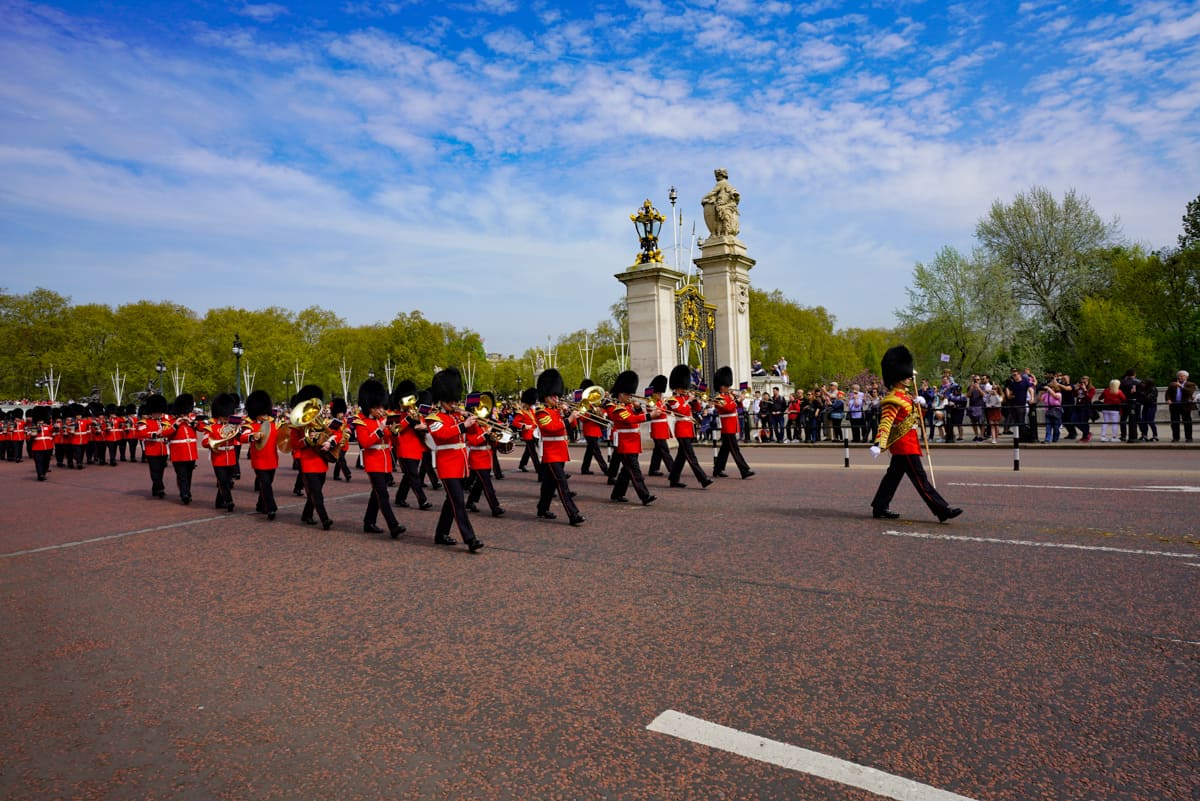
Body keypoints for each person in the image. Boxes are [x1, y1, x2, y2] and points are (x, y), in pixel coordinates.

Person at [870, 346, 962, 523]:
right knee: (921, 480)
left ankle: (879, 506)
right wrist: (879, 444)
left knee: (893, 477)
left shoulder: (908, 397)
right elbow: (886, 422)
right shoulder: (893, 399)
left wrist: (923, 404)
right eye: (906, 376)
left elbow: (917, 418)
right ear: (897, 378)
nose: (909, 379)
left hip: (910, 442)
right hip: (904, 445)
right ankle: (941, 510)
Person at [425, 367, 484, 552]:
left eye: (454, 399)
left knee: (451, 501)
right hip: (447, 465)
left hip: (461, 465)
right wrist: (463, 425)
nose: (454, 403)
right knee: (458, 502)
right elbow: (441, 436)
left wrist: (473, 421)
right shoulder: (434, 418)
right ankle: (470, 538)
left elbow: (472, 435)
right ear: (441, 399)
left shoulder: (458, 416)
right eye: (450, 400)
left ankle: (440, 534)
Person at [352, 379, 405, 538]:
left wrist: (394, 431)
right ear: (369, 406)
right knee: (383, 494)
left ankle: (369, 522)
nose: (381, 409)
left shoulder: (385, 418)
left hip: (385, 460)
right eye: (378, 407)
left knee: (376, 493)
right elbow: (365, 443)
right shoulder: (360, 421)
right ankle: (393, 526)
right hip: (373, 461)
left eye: (382, 406)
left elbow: (394, 442)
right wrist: (381, 430)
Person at [532, 369, 584, 525]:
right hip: (551, 452)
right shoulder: (542, 412)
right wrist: (568, 419)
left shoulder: (556, 411)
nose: (556, 398)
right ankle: (573, 514)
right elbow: (552, 428)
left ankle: (542, 508)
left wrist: (570, 415)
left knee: (549, 483)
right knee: (562, 483)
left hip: (560, 451)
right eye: (553, 396)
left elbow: (571, 426)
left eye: (557, 395)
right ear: (545, 397)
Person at [291, 384, 337, 530]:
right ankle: (325, 519)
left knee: (315, 491)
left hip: (321, 460)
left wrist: (330, 440)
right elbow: (294, 444)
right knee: (316, 492)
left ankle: (306, 514)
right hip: (308, 462)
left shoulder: (319, 422)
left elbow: (331, 434)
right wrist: (306, 440)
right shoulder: (297, 425)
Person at [607, 369, 657, 505]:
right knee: (635, 471)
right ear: (620, 394)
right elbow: (630, 420)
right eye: (627, 394)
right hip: (625, 444)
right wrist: (649, 416)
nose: (630, 396)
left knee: (626, 471)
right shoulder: (616, 408)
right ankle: (644, 496)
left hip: (633, 443)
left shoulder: (627, 405)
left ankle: (617, 494)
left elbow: (634, 416)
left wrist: (639, 409)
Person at [665, 363, 712, 489]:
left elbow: (696, 409)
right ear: (677, 387)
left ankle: (673, 479)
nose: (685, 389)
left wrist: (695, 400)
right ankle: (703, 479)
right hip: (681, 429)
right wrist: (688, 400)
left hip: (688, 428)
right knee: (691, 456)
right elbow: (681, 411)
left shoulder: (686, 397)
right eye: (683, 387)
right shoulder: (672, 400)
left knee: (681, 457)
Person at [464, 393, 506, 519]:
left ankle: (470, 502)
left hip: (487, 455)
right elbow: (473, 441)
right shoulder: (472, 424)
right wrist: (485, 435)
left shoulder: (485, 422)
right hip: (477, 456)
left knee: (480, 483)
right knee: (487, 483)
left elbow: (491, 440)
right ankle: (495, 507)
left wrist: (497, 435)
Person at [242, 389, 280, 521]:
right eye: (262, 414)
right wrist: (253, 436)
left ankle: (260, 504)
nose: (264, 416)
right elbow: (243, 437)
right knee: (265, 484)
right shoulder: (251, 426)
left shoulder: (274, 425)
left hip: (272, 459)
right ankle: (271, 508)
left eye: (265, 413)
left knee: (267, 483)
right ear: (256, 414)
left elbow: (283, 437)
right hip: (259, 460)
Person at [711, 366, 754, 478]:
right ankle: (744, 470)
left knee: (725, 449)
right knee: (735, 449)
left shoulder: (728, 396)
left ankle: (717, 469)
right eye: (726, 385)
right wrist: (737, 400)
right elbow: (729, 408)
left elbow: (737, 407)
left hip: (732, 425)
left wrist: (740, 399)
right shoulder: (718, 398)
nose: (728, 387)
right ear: (721, 387)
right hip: (727, 426)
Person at [202, 393, 240, 512]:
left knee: (227, 481)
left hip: (231, 456)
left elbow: (240, 438)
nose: (226, 419)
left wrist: (245, 434)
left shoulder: (232, 426)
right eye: (224, 417)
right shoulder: (211, 427)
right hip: (218, 457)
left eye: (227, 416)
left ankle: (219, 501)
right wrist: (212, 444)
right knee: (223, 481)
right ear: (218, 415)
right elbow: (204, 441)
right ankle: (229, 501)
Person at [167, 393, 199, 505]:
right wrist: (176, 425)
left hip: (191, 453)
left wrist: (192, 423)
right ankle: (184, 494)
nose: (185, 414)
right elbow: (165, 433)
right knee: (182, 475)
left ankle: (186, 491)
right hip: (178, 453)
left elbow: (204, 427)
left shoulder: (191, 420)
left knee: (188, 474)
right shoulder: (171, 421)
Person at [136, 394, 171, 498]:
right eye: (156, 412)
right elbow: (140, 433)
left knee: (160, 470)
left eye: (159, 412)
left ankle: (155, 489)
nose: (157, 414)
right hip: (151, 449)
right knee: (155, 470)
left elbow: (170, 431)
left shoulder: (165, 421)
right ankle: (160, 488)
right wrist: (153, 434)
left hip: (163, 449)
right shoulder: (144, 422)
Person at [576, 379, 610, 477]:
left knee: (590, 451)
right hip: (589, 430)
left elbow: (602, 412)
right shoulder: (584, 403)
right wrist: (591, 414)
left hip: (596, 429)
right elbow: (582, 417)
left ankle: (584, 468)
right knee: (597, 452)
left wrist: (600, 412)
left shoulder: (595, 402)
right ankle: (606, 469)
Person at [645, 374, 676, 477]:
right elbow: (653, 412)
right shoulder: (651, 402)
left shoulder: (660, 401)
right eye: (658, 393)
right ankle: (673, 470)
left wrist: (669, 404)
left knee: (658, 450)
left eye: (660, 393)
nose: (660, 394)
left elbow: (668, 411)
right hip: (657, 428)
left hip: (662, 428)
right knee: (664, 450)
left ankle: (653, 469)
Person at [1166, 370, 1196, 443]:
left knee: (1187, 422)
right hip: (1175, 406)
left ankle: (1189, 438)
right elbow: (1168, 393)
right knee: (1175, 423)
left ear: (1186, 377)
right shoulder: (1172, 384)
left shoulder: (1191, 384)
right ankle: (1176, 438)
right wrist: (1168, 399)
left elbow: (1189, 392)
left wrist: (1181, 387)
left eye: (1182, 376)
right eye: (1179, 376)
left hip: (1185, 406)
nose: (1180, 377)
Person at [27, 406, 54, 481]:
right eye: (39, 420)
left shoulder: (48, 427)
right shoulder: (33, 427)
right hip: (37, 448)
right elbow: (28, 438)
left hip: (48, 447)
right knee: (39, 462)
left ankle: (43, 473)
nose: (41, 422)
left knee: (46, 462)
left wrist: (55, 427)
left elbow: (54, 431)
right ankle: (40, 475)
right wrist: (32, 435)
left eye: (42, 420)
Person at [330, 397, 352, 481]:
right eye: (340, 413)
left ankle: (336, 475)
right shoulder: (334, 422)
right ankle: (347, 474)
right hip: (337, 444)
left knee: (339, 460)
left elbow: (348, 428)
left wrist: (348, 430)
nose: (342, 414)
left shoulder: (345, 421)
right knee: (341, 459)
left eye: (342, 413)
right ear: (336, 413)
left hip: (344, 444)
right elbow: (332, 433)